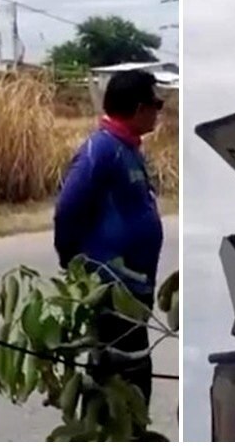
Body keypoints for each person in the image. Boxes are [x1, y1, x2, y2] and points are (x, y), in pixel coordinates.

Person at [53, 69, 165, 411]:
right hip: (112, 290)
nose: (159, 111)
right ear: (137, 107)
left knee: (134, 379)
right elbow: (67, 209)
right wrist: (75, 261)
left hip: (135, 291)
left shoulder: (129, 149)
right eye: (155, 103)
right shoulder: (101, 150)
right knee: (118, 385)